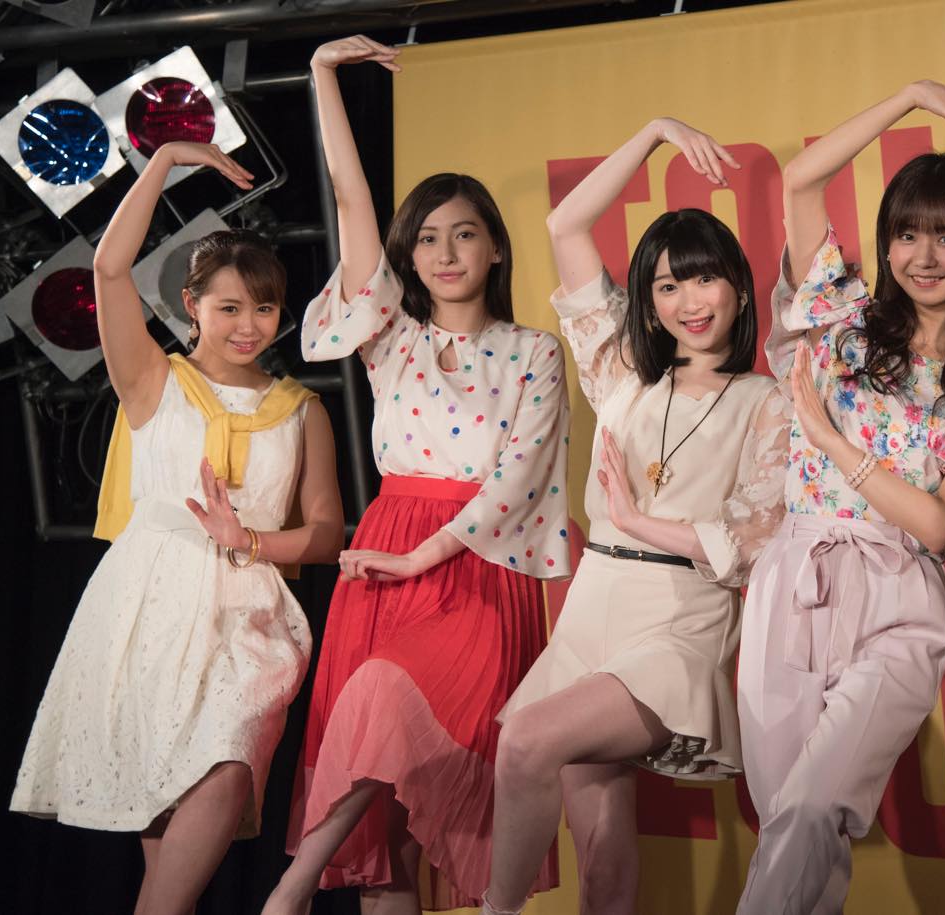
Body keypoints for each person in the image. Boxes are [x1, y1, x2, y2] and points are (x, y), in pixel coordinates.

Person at [265, 36, 570, 914]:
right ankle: (306, 886)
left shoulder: (534, 351)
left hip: (477, 563)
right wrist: (322, 74)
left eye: (464, 233)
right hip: (385, 552)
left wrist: (420, 557)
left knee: (400, 717)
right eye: (428, 237)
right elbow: (351, 199)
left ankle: (288, 889)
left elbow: (517, 483)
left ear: (496, 249)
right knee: (387, 827)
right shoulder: (392, 338)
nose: (445, 251)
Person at [11, 140, 344, 915]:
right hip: (148, 608)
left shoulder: (302, 410)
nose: (250, 325)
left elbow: (328, 531)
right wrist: (161, 160)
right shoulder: (155, 379)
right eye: (230, 307)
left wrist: (250, 542)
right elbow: (108, 269)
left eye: (264, 308)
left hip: (248, 610)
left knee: (230, 761)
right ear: (191, 304)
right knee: (164, 835)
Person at [737, 80, 945, 913]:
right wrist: (908, 97)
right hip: (794, 581)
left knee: (810, 807)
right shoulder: (842, 317)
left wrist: (837, 445)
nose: (924, 256)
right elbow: (800, 180)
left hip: (900, 599)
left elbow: (938, 524)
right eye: (907, 234)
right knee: (789, 826)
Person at [481, 117, 789, 915]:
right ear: (647, 305)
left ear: (739, 287)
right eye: (668, 286)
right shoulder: (624, 377)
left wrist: (636, 520)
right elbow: (565, 225)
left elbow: (757, 538)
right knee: (602, 855)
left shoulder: (766, 401)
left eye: (705, 279)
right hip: (591, 612)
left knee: (526, 740)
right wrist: (652, 132)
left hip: (678, 622)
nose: (690, 302)